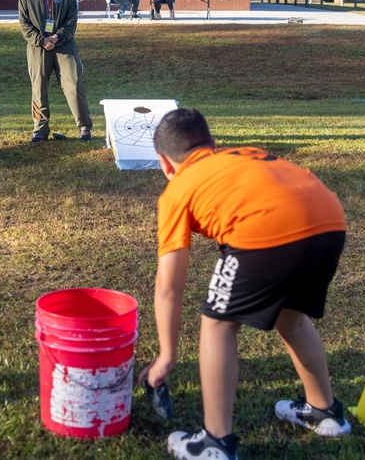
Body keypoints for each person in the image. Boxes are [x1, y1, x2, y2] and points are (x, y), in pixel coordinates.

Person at [138, 109, 351, 460]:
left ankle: (214, 442)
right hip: (329, 222)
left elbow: (169, 287)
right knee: (291, 318)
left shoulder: (177, 189)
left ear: (165, 164)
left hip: (268, 231)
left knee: (218, 323)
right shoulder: (243, 154)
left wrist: (167, 356)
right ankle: (324, 411)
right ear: (213, 144)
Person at [18, 0, 93, 142]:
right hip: (38, 47)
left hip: (64, 46)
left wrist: (57, 36)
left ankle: (84, 127)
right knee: (38, 88)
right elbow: (24, 24)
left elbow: (72, 20)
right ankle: (40, 129)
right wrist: (41, 40)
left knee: (74, 84)